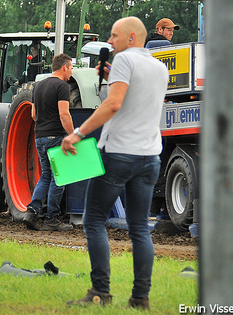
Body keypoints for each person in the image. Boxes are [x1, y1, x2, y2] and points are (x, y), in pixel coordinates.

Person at [62, 17, 168, 310]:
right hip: (149, 157)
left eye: (114, 35)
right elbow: (134, 99)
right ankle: (140, 298)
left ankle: (100, 292)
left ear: (132, 37)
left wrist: (78, 132)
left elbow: (114, 104)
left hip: (119, 152)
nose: (110, 41)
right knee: (139, 229)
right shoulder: (160, 68)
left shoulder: (124, 61)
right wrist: (109, 78)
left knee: (94, 219)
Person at [23, 53, 75, 232]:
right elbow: (64, 114)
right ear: (64, 67)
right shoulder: (62, 86)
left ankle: (32, 211)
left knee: (46, 175)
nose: (71, 72)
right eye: (71, 68)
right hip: (56, 137)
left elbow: (34, 115)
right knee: (58, 178)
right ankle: (52, 218)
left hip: (40, 137)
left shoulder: (38, 86)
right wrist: (73, 135)